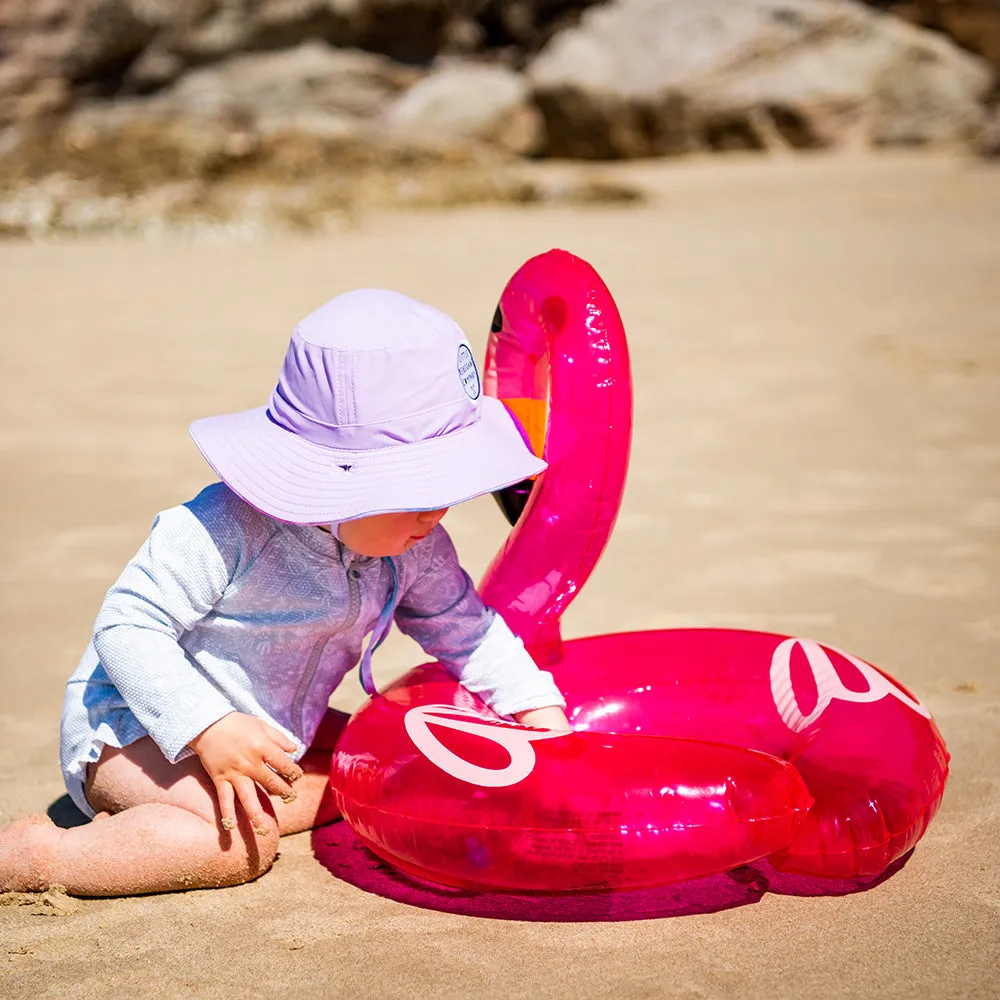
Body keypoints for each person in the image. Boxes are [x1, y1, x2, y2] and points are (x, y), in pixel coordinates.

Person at [0, 288, 570, 897]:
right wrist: (207, 728)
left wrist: (542, 716)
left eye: (448, 488)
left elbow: (467, 629)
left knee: (387, 764)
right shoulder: (226, 525)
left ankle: (162, 821)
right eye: (419, 490)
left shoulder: (417, 543)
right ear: (339, 479)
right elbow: (127, 627)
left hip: (272, 723)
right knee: (239, 846)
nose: (438, 512)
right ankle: (41, 856)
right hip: (134, 728)